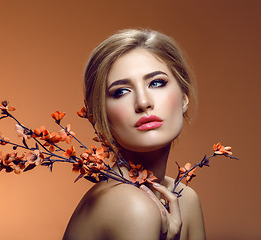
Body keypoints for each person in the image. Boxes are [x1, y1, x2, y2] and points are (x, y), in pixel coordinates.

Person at [63, 29, 205, 240]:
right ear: (100, 115)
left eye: (156, 83)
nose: (143, 102)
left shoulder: (186, 199)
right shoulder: (132, 205)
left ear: (184, 98)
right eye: (121, 91)